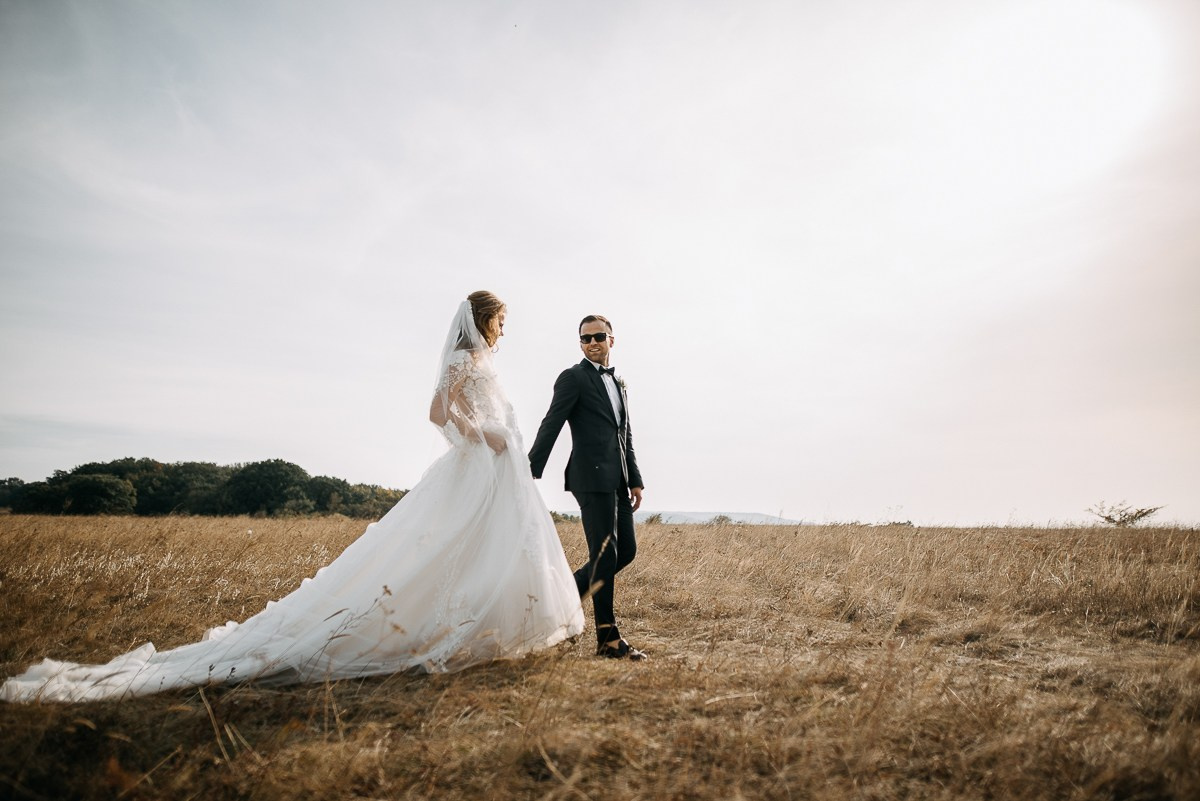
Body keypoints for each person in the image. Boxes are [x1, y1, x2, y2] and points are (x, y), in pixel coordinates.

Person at [2, 292, 584, 703]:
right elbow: (439, 412)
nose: (505, 331)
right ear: (483, 321)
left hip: (498, 469)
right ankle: (436, 628)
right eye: (502, 322)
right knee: (433, 550)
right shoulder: (461, 359)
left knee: (494, 547)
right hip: (476, 464)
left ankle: (503, 626)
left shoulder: (482, 361)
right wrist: (481, 435)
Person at [528, 314, 647, 661]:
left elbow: (625, 434)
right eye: (585, 339)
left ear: (612, 340)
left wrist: (635, 478)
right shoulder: (573, 378)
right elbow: (552, 421)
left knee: (625, 552)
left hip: (619, 481)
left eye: (598, 337)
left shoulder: (619, 384)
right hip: (590, 478)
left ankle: (562, 600)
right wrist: (530, 469)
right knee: (606, 555)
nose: (592, 343)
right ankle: (608, 641)